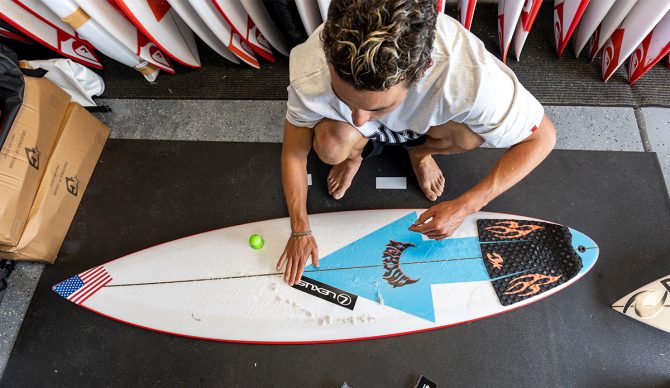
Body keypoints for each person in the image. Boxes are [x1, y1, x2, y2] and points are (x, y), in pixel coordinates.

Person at [277, 0, 557, 286]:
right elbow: (294, 154)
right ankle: (354, 155)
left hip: (428, 126)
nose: (359, 119)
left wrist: (465, 207)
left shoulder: (470, 78)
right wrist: (299, 230)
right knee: (328, 146)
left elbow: (543, 138)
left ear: (423, 71)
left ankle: (421, 154)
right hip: (348, 132)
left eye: (376, 107)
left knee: (470, 136)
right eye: (345, 98)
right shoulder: (311, 67)